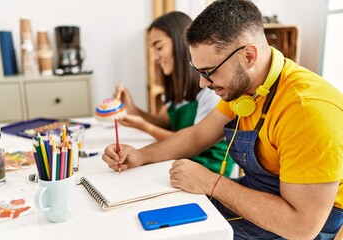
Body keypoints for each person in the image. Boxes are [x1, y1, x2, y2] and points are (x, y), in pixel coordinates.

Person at [103, 0, 343, 239]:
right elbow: (198, 135)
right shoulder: (245, 87)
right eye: (199, 72)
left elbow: (301, 228)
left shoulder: (307, 111)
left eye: (209, 72)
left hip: (306, 222)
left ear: (248, 56)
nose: (202, 84)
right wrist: (142, 155)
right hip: (263, 196)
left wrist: (212, 183)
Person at [114, 11, 235, 176]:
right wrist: (133, 110)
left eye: (159, 47)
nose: (155, 58)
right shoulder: (178, 88)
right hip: (182, 164)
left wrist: (143, 127)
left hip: (207, 170)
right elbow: (163, 122)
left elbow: (194, 141)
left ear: (181, 44)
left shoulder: (212, 91)